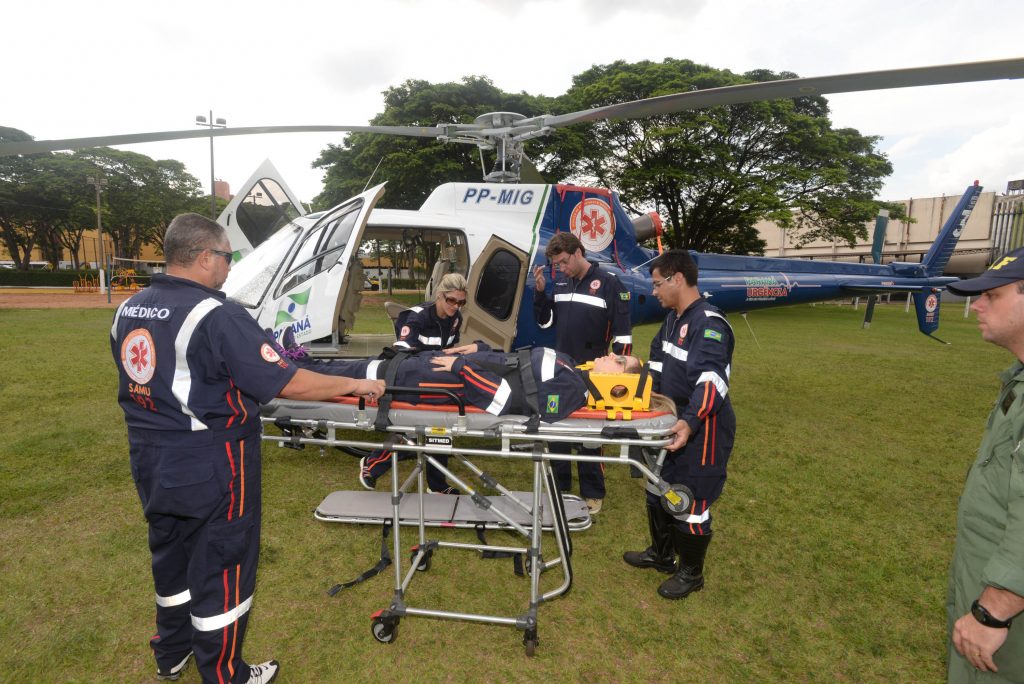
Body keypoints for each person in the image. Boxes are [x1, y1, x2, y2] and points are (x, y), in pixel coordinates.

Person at [111, 213, 383, 684]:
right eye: (225, 257)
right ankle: (225, 674)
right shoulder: (217, 315)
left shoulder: (129, 308)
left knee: (170, 556)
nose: (229, 268)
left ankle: (171, 651)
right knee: (223, 563)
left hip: (150, 455)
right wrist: (358, 383)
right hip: (213, 460)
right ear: (202, 257)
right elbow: (286, 382)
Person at [622, 249, 736, 600]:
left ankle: (692, 574)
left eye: (658, 284)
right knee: (658, 487)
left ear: (678, 279)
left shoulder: (710, 324)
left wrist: (688, 423)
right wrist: (633, 373)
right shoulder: (672, 318)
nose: (653, 291)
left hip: (702, 428)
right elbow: (656, 367)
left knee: (691, 503)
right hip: (670, 421)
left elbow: (712, 381)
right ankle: (661, 554)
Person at [942, 250, 1024, 681]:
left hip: (1006, 621)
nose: (976, 305)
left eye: (992, 295)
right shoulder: (1019, 380)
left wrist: (995, 609)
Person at [278, 337, 642, 422]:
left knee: (370, 373)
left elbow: (507, 401)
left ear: (620, 382)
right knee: (375, 363)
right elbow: (513, 362)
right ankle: (299, 359)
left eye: (619, 360)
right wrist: (477, 348)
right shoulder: (570, 367)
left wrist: (460, 369)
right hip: (451, 367)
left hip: (446, 383)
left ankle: (285, 372)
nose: (612, 354)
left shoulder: (570, 391)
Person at [533, 232, 633, 513]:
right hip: (560, 369)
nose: (560, 268)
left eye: (564, 262)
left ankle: (593, 493)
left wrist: (618, 377)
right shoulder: (561, 281)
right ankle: (559, 487)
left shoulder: (610, 284)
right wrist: (540, 293)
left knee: (590, 434)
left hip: (595, 371)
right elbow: (545, 322)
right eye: (556, 265)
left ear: (578, 252)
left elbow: (623, 338)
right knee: (558, 429)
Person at [362, 272, 482, 492]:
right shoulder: (417, 317)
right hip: (411, 376)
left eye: (461, 302)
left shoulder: (456, 319)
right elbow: (402, 353)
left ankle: (437, 486)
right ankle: (372, 464)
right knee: (412, 435)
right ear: (439, 296)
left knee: (442, 431)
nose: (456, 306)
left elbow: (448, 350)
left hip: (435, 379)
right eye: (451, 300)